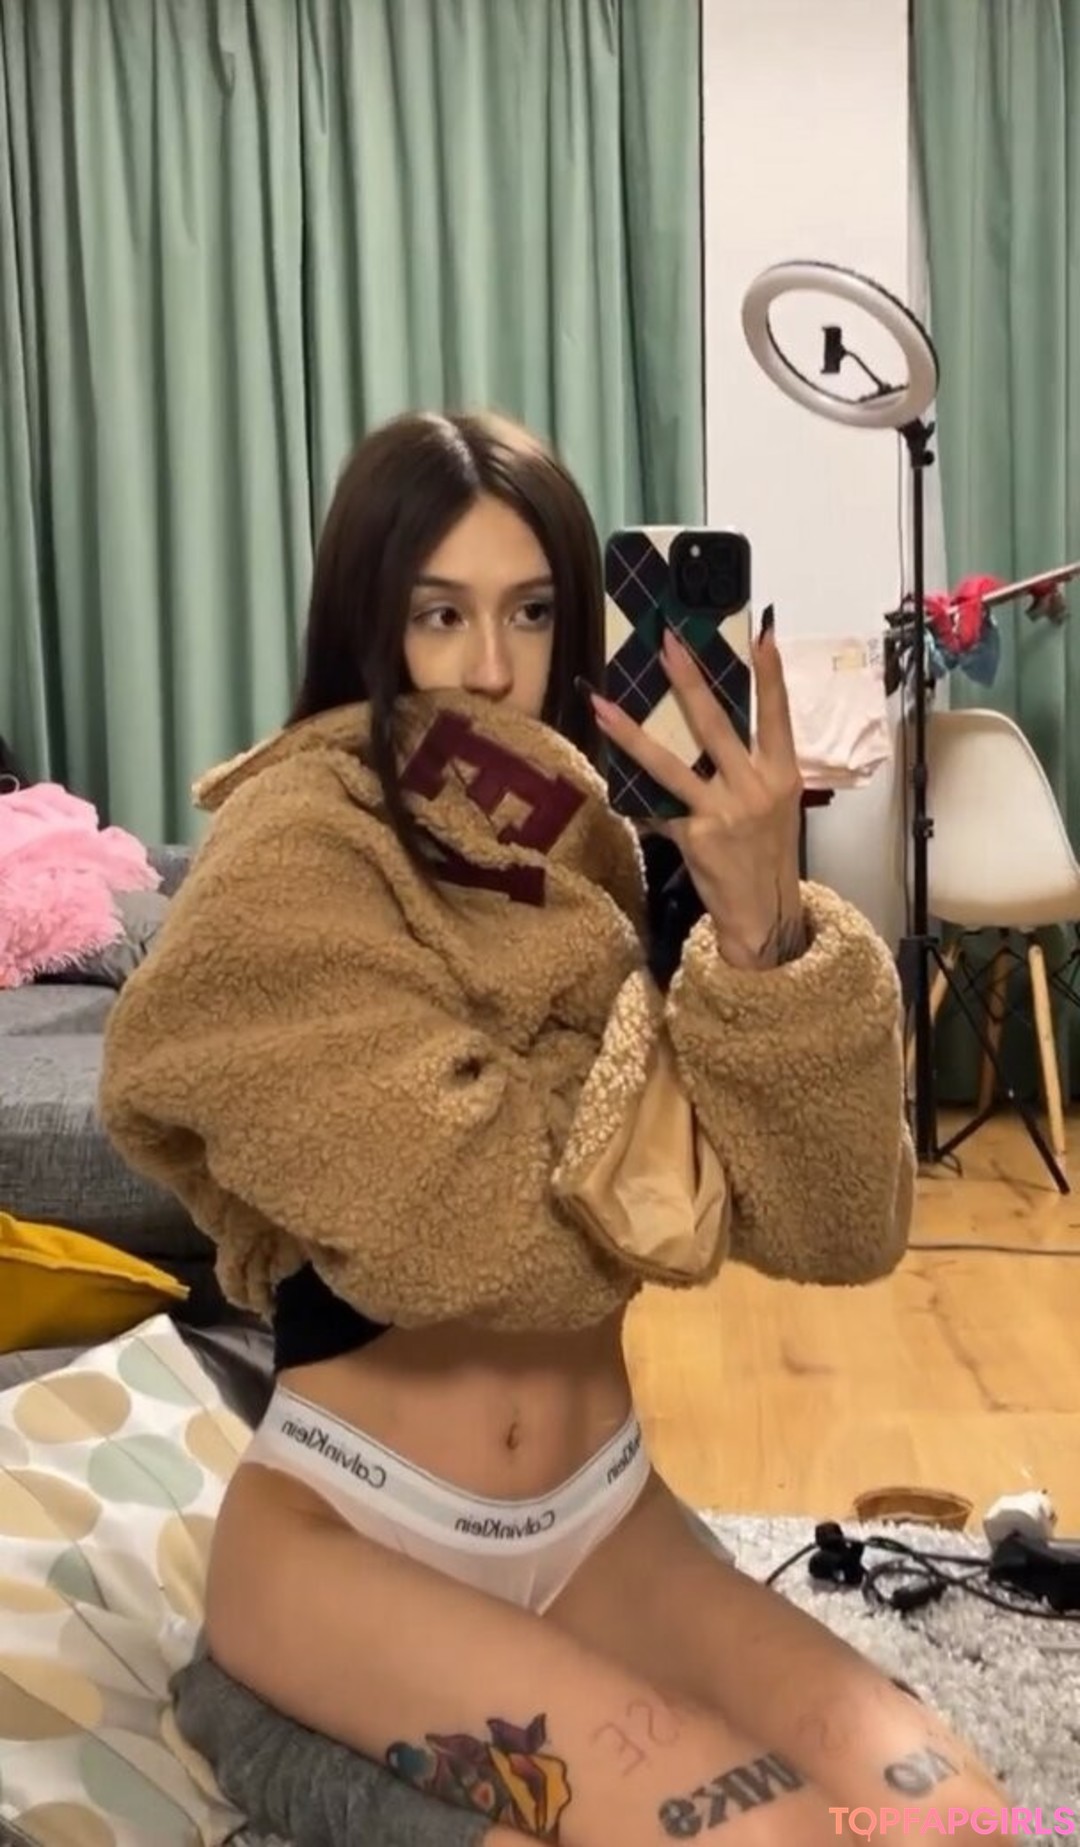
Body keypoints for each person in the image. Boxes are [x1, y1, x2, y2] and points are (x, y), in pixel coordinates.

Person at [99, 411, 1009, 1847]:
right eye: (438, 615)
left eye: (530, 614)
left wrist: (765, 932)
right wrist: (673, 1087)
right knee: (763, 1830)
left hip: (601, 1515)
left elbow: (838, 1225)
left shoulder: (612, 862)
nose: (487, 667)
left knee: (961, 1819)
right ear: (367, 627)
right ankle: (264, 1711)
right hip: (350, 1528)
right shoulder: (298, 849)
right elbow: (471, 1232)